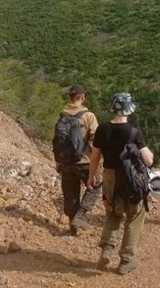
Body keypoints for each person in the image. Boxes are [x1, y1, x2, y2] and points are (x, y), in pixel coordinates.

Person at [88, 93, 153, 275]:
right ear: (128, 109)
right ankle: (126, 260)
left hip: (110, 176)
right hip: (130, 179)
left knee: (113, 213)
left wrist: (91, 177)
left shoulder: (102, 129)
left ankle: (107, 249)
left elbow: (95, 156)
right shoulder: (134, 132)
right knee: (134, 216)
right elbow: (148, 160)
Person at [55, 85, 100, 236]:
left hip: (66, 162)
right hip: (84, 161)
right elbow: (96, 141)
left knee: (70, 194)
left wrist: (58, 161)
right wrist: (98, 160)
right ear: (82, 97)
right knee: (96, 184)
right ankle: (80, 216)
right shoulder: (89, 116)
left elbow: (57, 141)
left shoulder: (61, 115)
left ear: (69, 97)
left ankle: (72, 227)